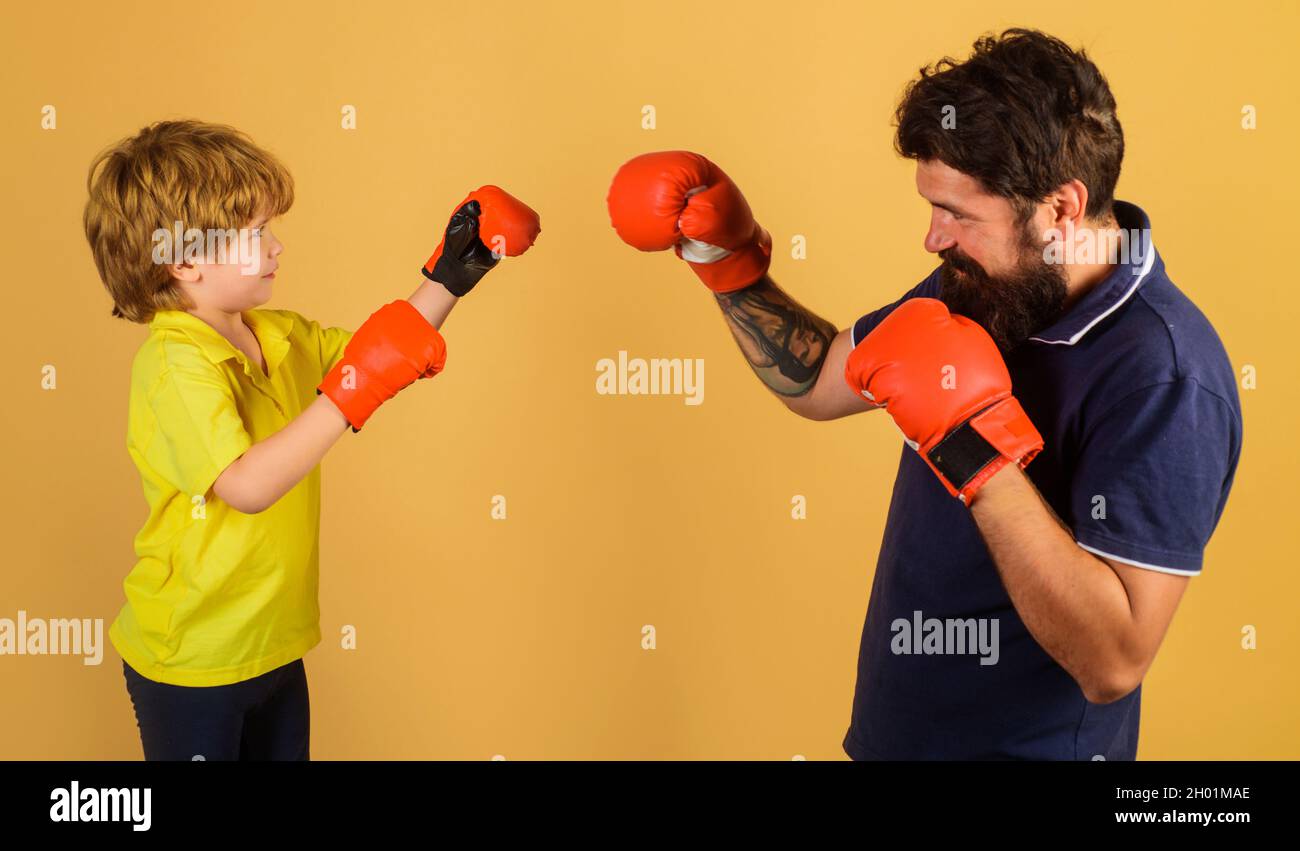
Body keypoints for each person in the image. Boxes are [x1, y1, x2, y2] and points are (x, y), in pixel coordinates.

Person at [606, 28, 1242, 760]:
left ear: (1062, 210)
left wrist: (976, 448)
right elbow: (817, 380)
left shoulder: (1167, 374)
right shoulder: (988, 281)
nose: (933, 239)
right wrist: (726, 263)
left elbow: (1114, 663)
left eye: (958, 213)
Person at [83, 119, 539, 760]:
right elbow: (245, 485)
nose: (275, 248)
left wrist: (452, 271)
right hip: (194, 659)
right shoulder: (173, 365)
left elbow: (381, 354)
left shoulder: (276, 333)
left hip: (274, 642)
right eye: (254, 235)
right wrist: (348, 395)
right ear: (184, 258)